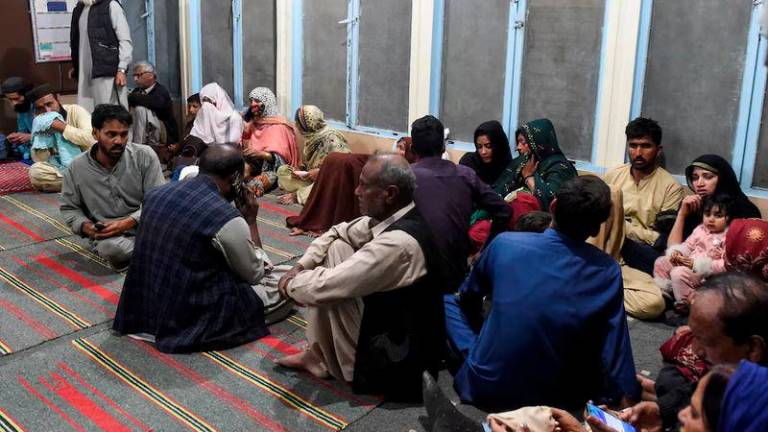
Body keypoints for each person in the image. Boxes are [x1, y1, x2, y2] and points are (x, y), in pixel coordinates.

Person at [445, 176, 640, 412]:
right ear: (596, 227)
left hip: (486, 387)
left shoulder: (505, 243)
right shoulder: (607, 270)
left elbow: (469, 298)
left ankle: (480, 352)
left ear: (553, 206)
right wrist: (627, 399)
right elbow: (616, 348)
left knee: (448, 301)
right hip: (559, 400)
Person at [275, 155, 446, 402]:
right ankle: (319, 353)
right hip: (390, 325)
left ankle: (345, 367)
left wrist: (288, 285)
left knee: (326, 284)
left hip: (400, 358)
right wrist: (299, 266)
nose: (356, 191)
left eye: (364, 185)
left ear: (389, 193)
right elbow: (335, 231)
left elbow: (327, 285)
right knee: (337, 247)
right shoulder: (392, 216)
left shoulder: (398, 244)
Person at [113, 144, 288, 353]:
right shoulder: (226, 217)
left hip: (145, 304)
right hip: (188, 315)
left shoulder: (156, 194)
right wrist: (250, 221)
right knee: (290, 280)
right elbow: (255, 274)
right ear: (234, 178)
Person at [619, 272, 768, 431]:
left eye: (706, 341)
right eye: (693, 335)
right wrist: (661, 409)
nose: (695, 350)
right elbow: (703, 389)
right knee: (670, 379)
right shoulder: (739, 372)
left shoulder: (758, 405)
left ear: (753, 349)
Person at [410, 115, 511, 290]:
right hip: (454, 275)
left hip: (412, 275)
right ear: (443, 146)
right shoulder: (466, 174)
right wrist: (484, 251)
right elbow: (505, 211)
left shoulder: (403, 177)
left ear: (412, 149)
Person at [61, 104, 165, 271]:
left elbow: (159, 201)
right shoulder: (76, 168)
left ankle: (151, 251)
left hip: (150, 226)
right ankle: (159, 251)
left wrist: (128, 222)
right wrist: (87, 227)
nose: (119, 141)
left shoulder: (144, 155)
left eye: (124, 134)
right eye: (111, 134)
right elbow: (69, 208)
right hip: (112, 238)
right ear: (95, 133)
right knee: (112, 249)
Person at [603, 117, 685, 276]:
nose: (638, 153)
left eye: (646, 146)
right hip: (608, 244)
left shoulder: (671, 187)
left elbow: (661, 240)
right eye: (633, 146)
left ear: (658, 150)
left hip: (644, 252)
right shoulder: (612, 176)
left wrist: (621, 226)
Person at [665, 154, 762, 249]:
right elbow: (672, 249)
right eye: (695, 178)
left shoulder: (745, 210)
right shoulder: (693, 205)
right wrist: (682, 214)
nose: (699, 183)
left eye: (707, 176)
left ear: (723, 178)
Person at [654, 194, 732, 310]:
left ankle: (686, 305)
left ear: (729, 217)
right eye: (707, 214)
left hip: (706, 276)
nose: (711, 219)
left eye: (718, 215)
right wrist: (678, 253)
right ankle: (665, 294)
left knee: (678, 272)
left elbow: (725, 265)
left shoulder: (728, 236)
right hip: (688, 265)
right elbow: (688, 246)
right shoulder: (700, 229)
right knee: (662, 261)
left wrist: (695, 265)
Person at [493, 118, 577, 209]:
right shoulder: (524, 161)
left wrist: (528, 177)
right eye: (518, 142)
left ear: (538, 142)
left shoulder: (560, 168)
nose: (518, 147)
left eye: (523, 142)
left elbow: (552, 202)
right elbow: (498, 188)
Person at [24, 84, 93, 192]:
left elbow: (91, 139)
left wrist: (62, 127)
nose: (47, 111)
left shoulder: (75, 111)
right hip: (61, 169)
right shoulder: (40, 122)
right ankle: (85, 182)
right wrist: (42, 135)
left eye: (49, 104)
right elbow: (39, 159)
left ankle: (79, 182)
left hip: (87, 163)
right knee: (35, 172)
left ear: (58, 99)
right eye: (41, 108)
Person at [276, 105, 350, 205]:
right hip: (313, 179)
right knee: (283, 171)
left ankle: (299, 196)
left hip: (330, 181)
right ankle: (308, 194)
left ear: (307, 124)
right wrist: (299, 171)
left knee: (324, 187)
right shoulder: (312, 137)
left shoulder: (332, 139)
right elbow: (309, 165)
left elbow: (342, 170)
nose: (296, 126)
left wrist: (320, 172)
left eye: (298, 123)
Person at [70, 0, 133, 111]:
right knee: (86, 114)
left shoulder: (111, 5)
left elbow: (125, 40)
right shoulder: (79, 9)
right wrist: (76, 66)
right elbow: (77, 42)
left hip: (107, 72)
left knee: (110, 114)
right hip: (84, 76)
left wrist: (122, 69)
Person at [241, 87, 299, 195]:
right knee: (236, 173)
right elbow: (244, 147)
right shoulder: (253, 122)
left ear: (267, 103)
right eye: (251, 101)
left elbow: (282, 161)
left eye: (257, 101)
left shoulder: (279, 126)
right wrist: (246, 134)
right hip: (253, 163)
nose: (253, 104)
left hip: (272, 169)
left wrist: (261, 154)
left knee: (256, 186)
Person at [127, 61, 179, 152]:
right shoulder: (137, 91)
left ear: (150, 75)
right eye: (134, 76)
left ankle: (138, 146)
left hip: (162, 132)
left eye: (139, 75)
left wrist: (132, 97)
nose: (135, 79)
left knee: (141, 109)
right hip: (139, 129)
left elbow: (154, 103)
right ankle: (131, 144)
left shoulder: (161, 91)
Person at [188, 83, 244, 150]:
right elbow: (195, 138)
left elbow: (234, 142)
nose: (206, 105)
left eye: (209, 101)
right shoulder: (203, 118)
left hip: (230, 156)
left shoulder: (234, 118)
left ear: (218, 100)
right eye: (203, 101)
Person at [458, 120, 512, 186]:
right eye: (479, 146)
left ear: (499, 145)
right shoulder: (468, 163)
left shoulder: (510, 168)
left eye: (488, 146)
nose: (483, 152)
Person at [1, 77, 34, 159]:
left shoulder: (39, 107)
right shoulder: (21, 109)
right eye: (10, 100)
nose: (14, 103)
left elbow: (55, 135)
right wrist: (17, 138)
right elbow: (22, 132)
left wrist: (31, 137)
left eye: (16, 99)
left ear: (26, 94)